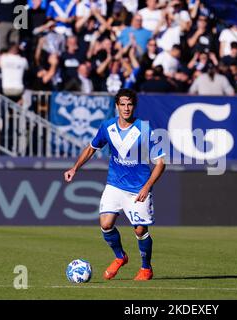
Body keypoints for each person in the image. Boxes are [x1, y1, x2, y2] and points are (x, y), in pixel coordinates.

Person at [64, 88, 166, 281]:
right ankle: (120, 257)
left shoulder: (145, 129)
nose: (126, 108)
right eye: (122, 104)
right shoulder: (107, 126)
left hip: (138, 188)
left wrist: (147, 186)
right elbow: (91, 148)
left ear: (134, 106)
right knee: (106, 223)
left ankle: (146, 268)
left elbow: (161, 163)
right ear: (117, 106)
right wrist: (74, 168)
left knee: (140, 230)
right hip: (115, 184)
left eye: (130, 104)